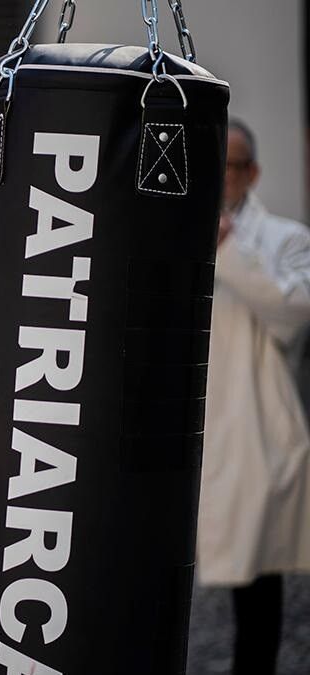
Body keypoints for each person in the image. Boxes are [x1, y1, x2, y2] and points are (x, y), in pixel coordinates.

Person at [198, 118, 310, 675]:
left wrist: (233, 251)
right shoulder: (165, 228)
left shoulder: (286, 240)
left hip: (251, 428)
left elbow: (294, 311)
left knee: (257, 583)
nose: (220, 178)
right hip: (187, 427)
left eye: (232, 165)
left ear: (253, 173)